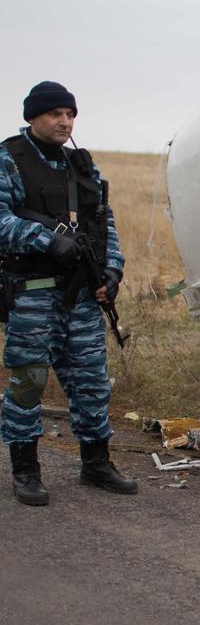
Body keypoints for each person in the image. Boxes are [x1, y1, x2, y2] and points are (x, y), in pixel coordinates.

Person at [0, 81, 136, 506]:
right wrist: (44, 239)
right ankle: (26, 470)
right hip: (32, 293)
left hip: (81, 296)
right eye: (55, 114)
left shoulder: (82, 165)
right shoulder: (9, 161)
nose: (65, 122)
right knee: (29, 381)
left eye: (70, 114)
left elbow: (103, 223)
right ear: (32, 117)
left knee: (92, 383)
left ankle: (96, 463)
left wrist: (112, 271)